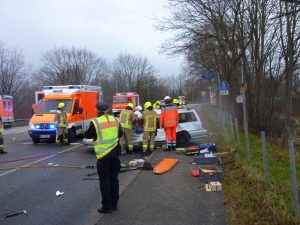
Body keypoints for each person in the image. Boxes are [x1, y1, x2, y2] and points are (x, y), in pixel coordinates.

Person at [85, 102, 123, 214]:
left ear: (98, 111)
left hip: (103, 156)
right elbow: (120, 134)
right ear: (108, 110)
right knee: (114, 179)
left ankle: (107, 207)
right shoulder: (116, 120)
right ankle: (114, 204)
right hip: (115, 153)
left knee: (105, 180)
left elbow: (88, 135)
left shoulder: (95, 122)